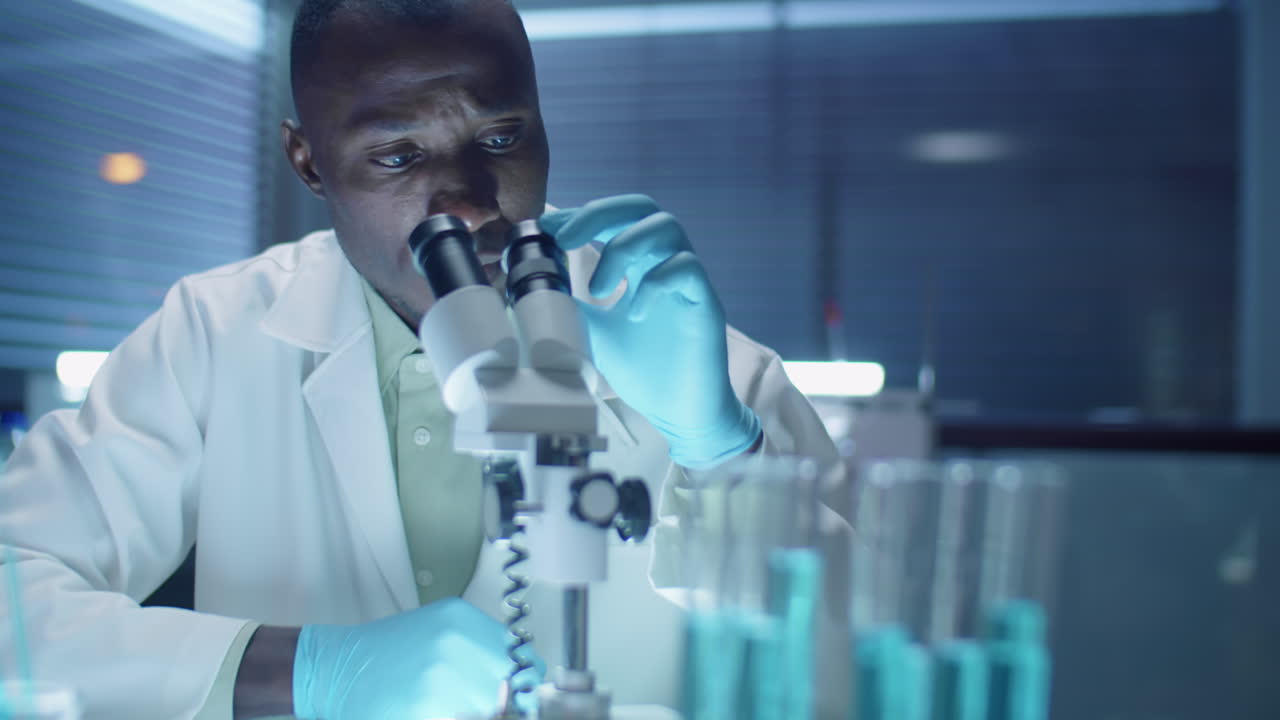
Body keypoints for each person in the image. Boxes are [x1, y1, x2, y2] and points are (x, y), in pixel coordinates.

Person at [0, 0, 847, 718]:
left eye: (503, 137)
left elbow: (860, 673)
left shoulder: (696, 360)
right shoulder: (215, 332)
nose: (468, 203)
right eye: (397, 155)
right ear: (308, 161)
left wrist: (720, 449)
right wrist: (297, 672)